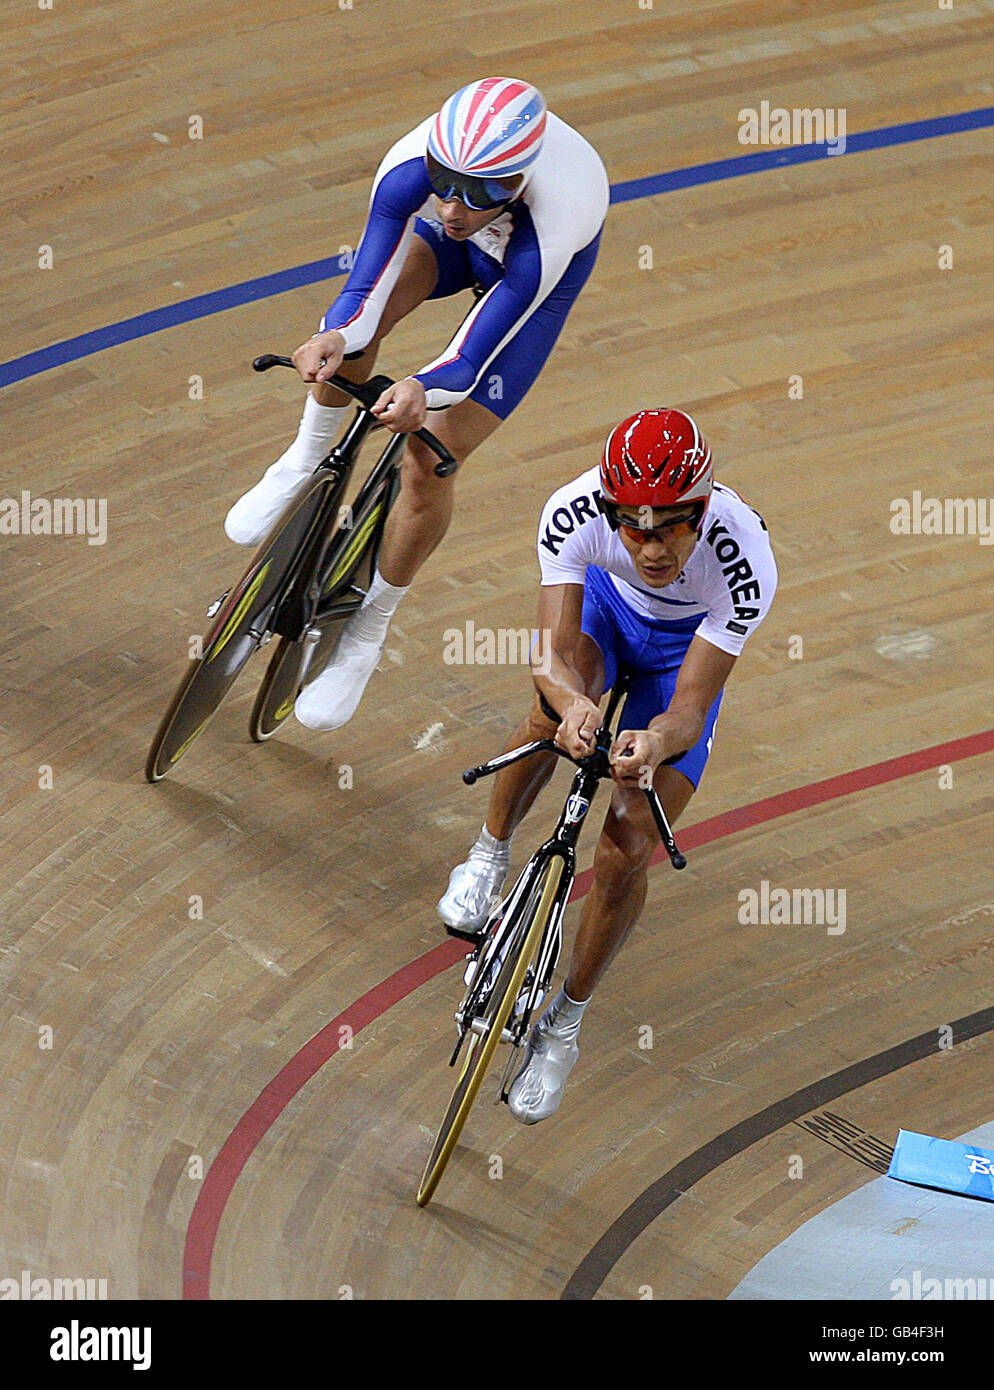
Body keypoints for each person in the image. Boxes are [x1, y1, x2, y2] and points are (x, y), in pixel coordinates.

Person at [225, 77, 608, 730]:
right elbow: (364, 289)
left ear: (516, 183)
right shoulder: (409, 164)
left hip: (527, 288)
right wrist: (336, 334)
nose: (455, 206)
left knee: (431, 457)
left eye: (482, 191)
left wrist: (422, 391)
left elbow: (468, 357)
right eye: (446, 180)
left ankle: (367, 633)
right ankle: (302, 460)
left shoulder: (556, 218)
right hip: (464, 258)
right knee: (349, 345)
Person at [438, 409, 778, 1123]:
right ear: (609, 509)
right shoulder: (572, 511)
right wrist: (570, 705)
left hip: (681, 653)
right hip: (608, 612)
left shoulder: (745, 558)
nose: (652, 548)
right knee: (544, 715)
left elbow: (688, 709)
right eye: (633, 526)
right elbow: (551, 658)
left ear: (704, 508)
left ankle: (563, 1025)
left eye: (672, 527)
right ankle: (489, 852)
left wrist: (653, 745)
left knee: (628, 839)